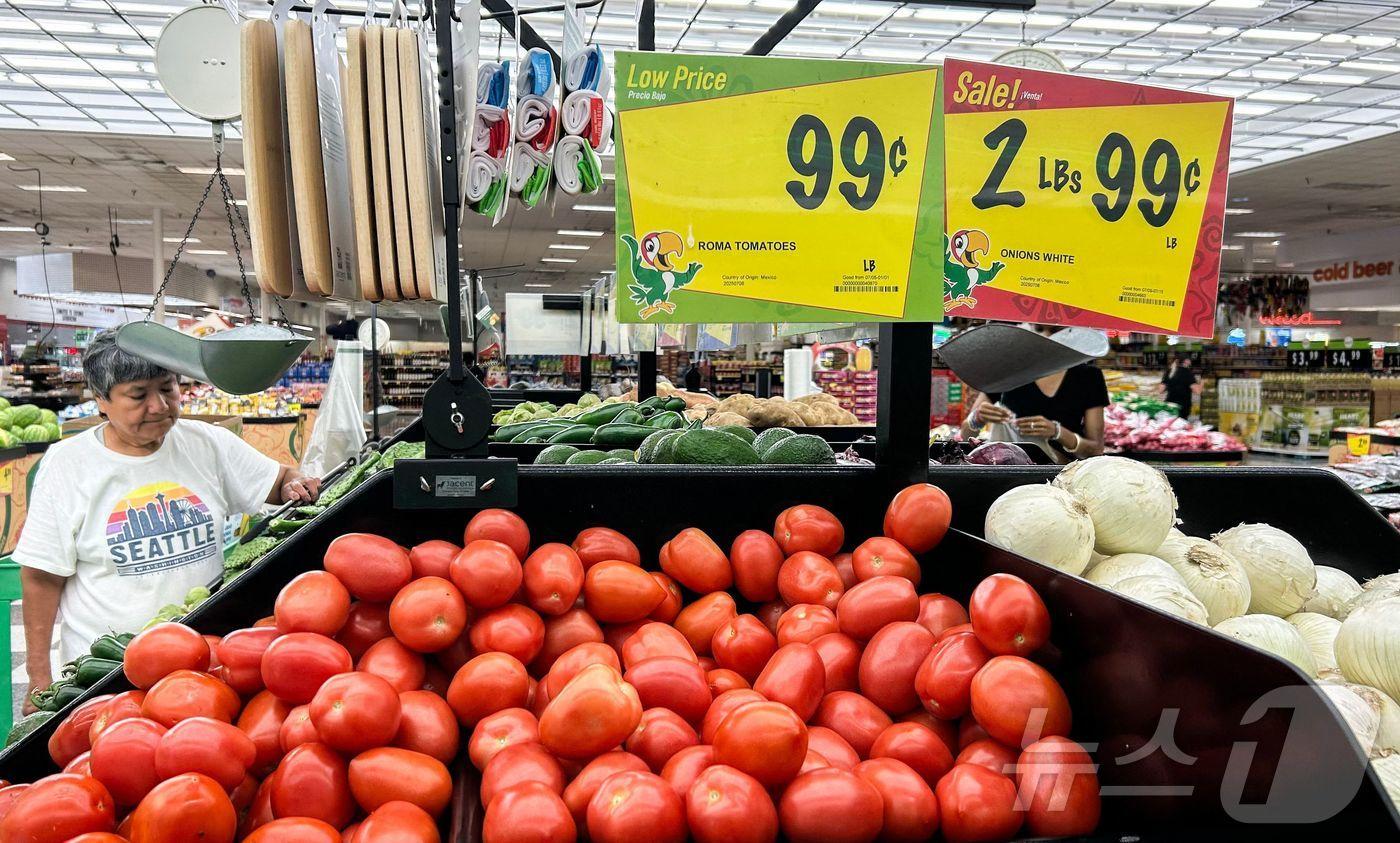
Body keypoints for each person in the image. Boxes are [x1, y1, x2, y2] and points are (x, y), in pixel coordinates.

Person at [13, 330, 321, 712]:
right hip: (109, 672)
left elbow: (278, 481)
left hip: (204, 656)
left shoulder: (207, 443)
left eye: (168, 389)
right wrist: (39, 676)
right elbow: (42, 576)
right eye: (139, 395)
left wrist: (296, 484)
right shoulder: (67, 465)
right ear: (101, 401)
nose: (159, 406)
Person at [960, 363, 1109, 461]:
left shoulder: (1088, 376)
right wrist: (977, 418)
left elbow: (1095, 450)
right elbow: (966, 434)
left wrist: (1058, 433)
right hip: (1006, 471)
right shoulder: (1007, 370)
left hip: (1061, 477)